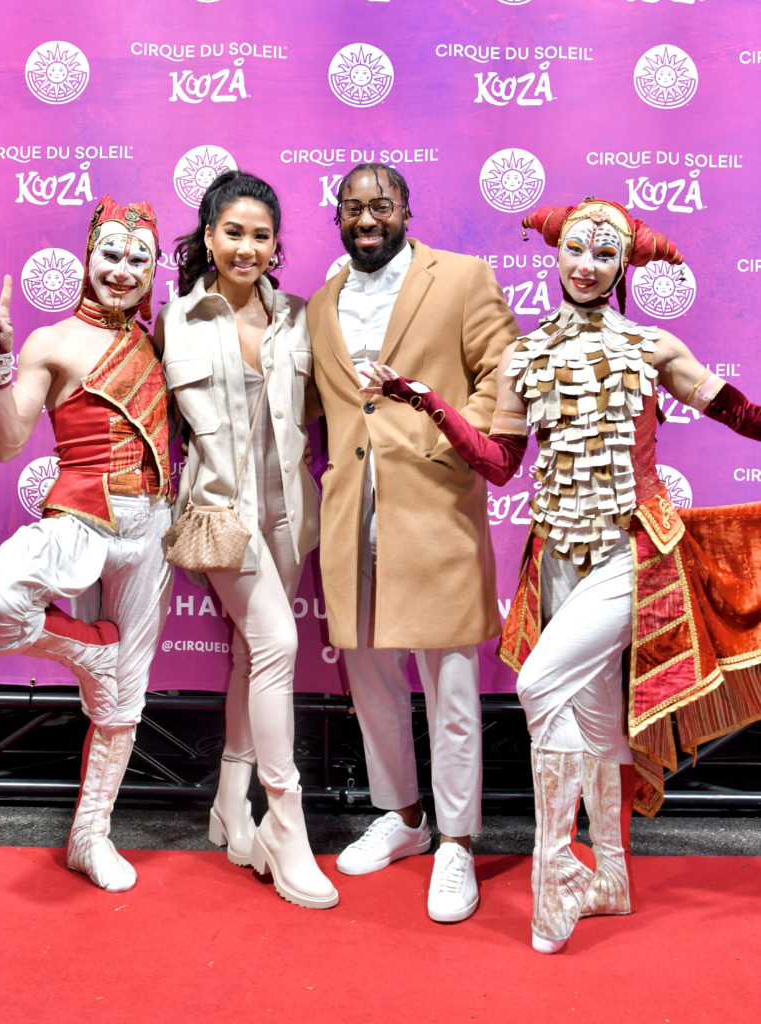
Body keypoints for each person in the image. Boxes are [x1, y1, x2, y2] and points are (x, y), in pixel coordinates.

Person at [360, 195, 761, 951]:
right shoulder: (526, 355)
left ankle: (556, 874)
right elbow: (500, 465)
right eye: (575, 249)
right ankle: (609, 874)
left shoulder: (651, 348)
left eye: (602, 255)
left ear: (619, 268)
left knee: (538, 684)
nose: (584, 264)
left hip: (628, 553)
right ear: (557, 255)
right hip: (554, 557)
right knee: (598, 718)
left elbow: (737, 413)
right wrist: (423, 399)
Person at [306, 163, 519, 923]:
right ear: (336, 217)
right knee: (369, 678)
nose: (366, 218)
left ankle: (457, 840)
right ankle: (401, 817)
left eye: (380, 205)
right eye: (351, 207)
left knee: (451, 686)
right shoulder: (320, 304)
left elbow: (501, 367)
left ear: (405, 210)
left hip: (434, 508)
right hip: (347, 513)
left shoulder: (461, 277)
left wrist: (455, 446)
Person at [0, 195, 174, 893]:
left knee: (124, 702)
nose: (122, 269)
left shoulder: (160, 339)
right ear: (87, 255)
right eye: (110, 253)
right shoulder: (51, 341)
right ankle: (89, 650)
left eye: (138, 258)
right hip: (82, 517)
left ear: (153, 269)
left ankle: (91, 835)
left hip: (155, 530)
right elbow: (4, 443)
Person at [156, 170, 337, 910]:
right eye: (233, 232)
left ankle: (228, 803)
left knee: (246, 653)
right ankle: (282, 824)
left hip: (290, 514)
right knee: (276, 646)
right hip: (219, 515)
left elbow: (336, 410)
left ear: (274, 245)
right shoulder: (174, 319)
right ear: (207, 237)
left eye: (261, 235)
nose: (247, 246)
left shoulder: (299, 317)